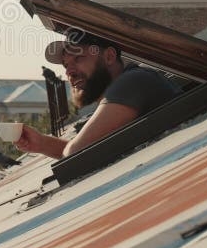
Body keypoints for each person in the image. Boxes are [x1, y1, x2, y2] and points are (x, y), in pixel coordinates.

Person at [16, 29, 182, 159]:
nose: (69, 72)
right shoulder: (129, 85)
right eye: (65, 65)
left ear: (109, 56)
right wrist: (42, 143)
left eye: (78, 58)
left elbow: (75, 153)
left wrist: (58, 148)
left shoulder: (131, 82)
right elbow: (88, 151)